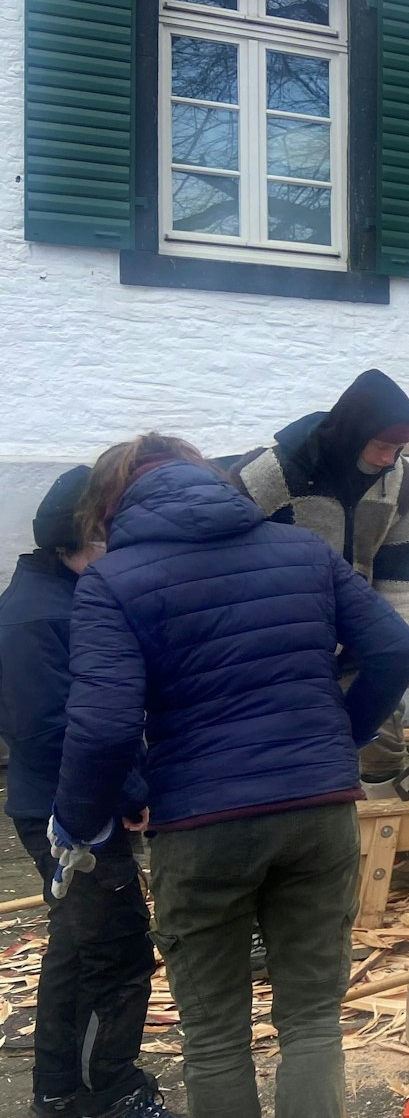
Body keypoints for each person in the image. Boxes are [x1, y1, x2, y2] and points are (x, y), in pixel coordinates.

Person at [53, 434, 409, 1118]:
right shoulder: (303, 550)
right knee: (312, 1022)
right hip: (318, 811)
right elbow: (396, 647)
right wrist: (342, 736)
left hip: (201, 823)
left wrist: (76, 823)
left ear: (110, 505)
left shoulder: (112, 580)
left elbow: (102, 727)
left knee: (216, 1037)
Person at [227, 370, 409, 893]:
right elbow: (224, 550)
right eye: (383, 446)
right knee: (283, 748)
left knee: (381, 741)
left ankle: (395, 859)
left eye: (400, 448)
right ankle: (284, 873)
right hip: (278, 633)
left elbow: (399, 565)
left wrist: (388, 644)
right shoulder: (273, 472)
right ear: (352, 432)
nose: (390, 459)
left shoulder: (400, 481)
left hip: (359, 627)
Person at [0, 467, 176, 1118]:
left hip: (76, 801)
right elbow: (55, 731)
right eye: (110, 536)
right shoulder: (35, 617)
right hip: (68, 812)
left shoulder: (65, 595)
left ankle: (58, 1091)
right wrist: (129, 791)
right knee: (118, 952)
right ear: (79, 537)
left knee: (77, 947)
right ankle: (108, 1088)